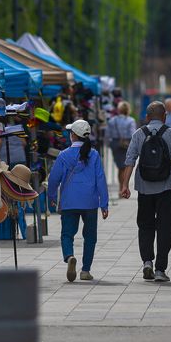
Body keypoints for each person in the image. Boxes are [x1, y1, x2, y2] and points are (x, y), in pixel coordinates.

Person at [120, 101, 171, 283]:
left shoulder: (138, 134)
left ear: (147, 117)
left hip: (144, 188)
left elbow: (130, 160)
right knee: (166, 227)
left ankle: (147, 261)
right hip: (167, 188)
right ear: (165, 116)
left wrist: (124, 185)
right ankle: (160, 269)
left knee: (145, 225)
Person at [47, 120, 110, 282]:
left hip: (69, 201)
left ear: (73, 135)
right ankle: (85, 270)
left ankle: (69, 257)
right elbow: (100, 179)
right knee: (90, 236)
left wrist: (52, 196)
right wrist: (104, 203)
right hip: (90, 201)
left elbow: (54, 178)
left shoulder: (63, 155)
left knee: (67, 233)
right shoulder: (94, 154)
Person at [106, 101, 138, 196]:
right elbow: (133, 134)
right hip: (127, 144)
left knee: (120, 167)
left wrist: (109, 144)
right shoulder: (131, 120)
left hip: (115, 143)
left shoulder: (112, 120)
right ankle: (124, 188)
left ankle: (121, 188)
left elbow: (108, 134)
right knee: (126, 166)